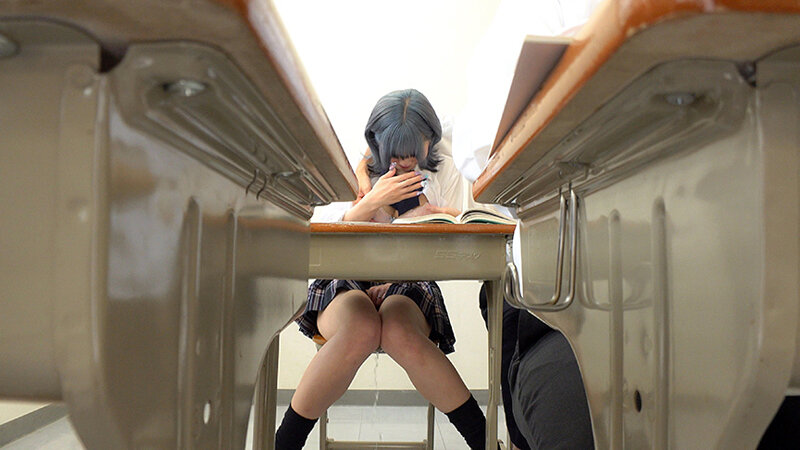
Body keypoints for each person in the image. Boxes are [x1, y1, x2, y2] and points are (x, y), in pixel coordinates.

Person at [275, 89, 491, 450]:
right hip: (344, 277)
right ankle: (284, 443)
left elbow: (463, 226)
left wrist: (437, 213)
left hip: (410, 280)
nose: (404, 161)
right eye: (394, 152)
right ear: (377, 143)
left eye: (413, 151)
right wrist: (371, 201)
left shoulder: (446, 166)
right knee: (360, 327)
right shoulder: (352, 163)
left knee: (398, 330)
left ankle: (484, 442)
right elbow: (316, 229)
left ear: (430, 141)